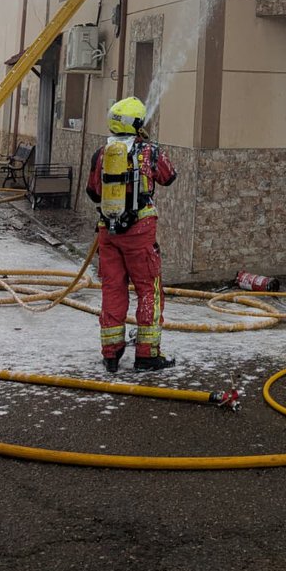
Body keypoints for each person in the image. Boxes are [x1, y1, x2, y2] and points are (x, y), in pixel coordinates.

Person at [85, 96, 178, 373]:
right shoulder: (148, 151)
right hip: (140, 232)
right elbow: (169, 176)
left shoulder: (102, 153)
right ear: (137, 123)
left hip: (108, 232)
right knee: (148, 290)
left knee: (112, 289)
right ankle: (147, 355)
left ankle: (111, 354)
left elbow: (93, 192)